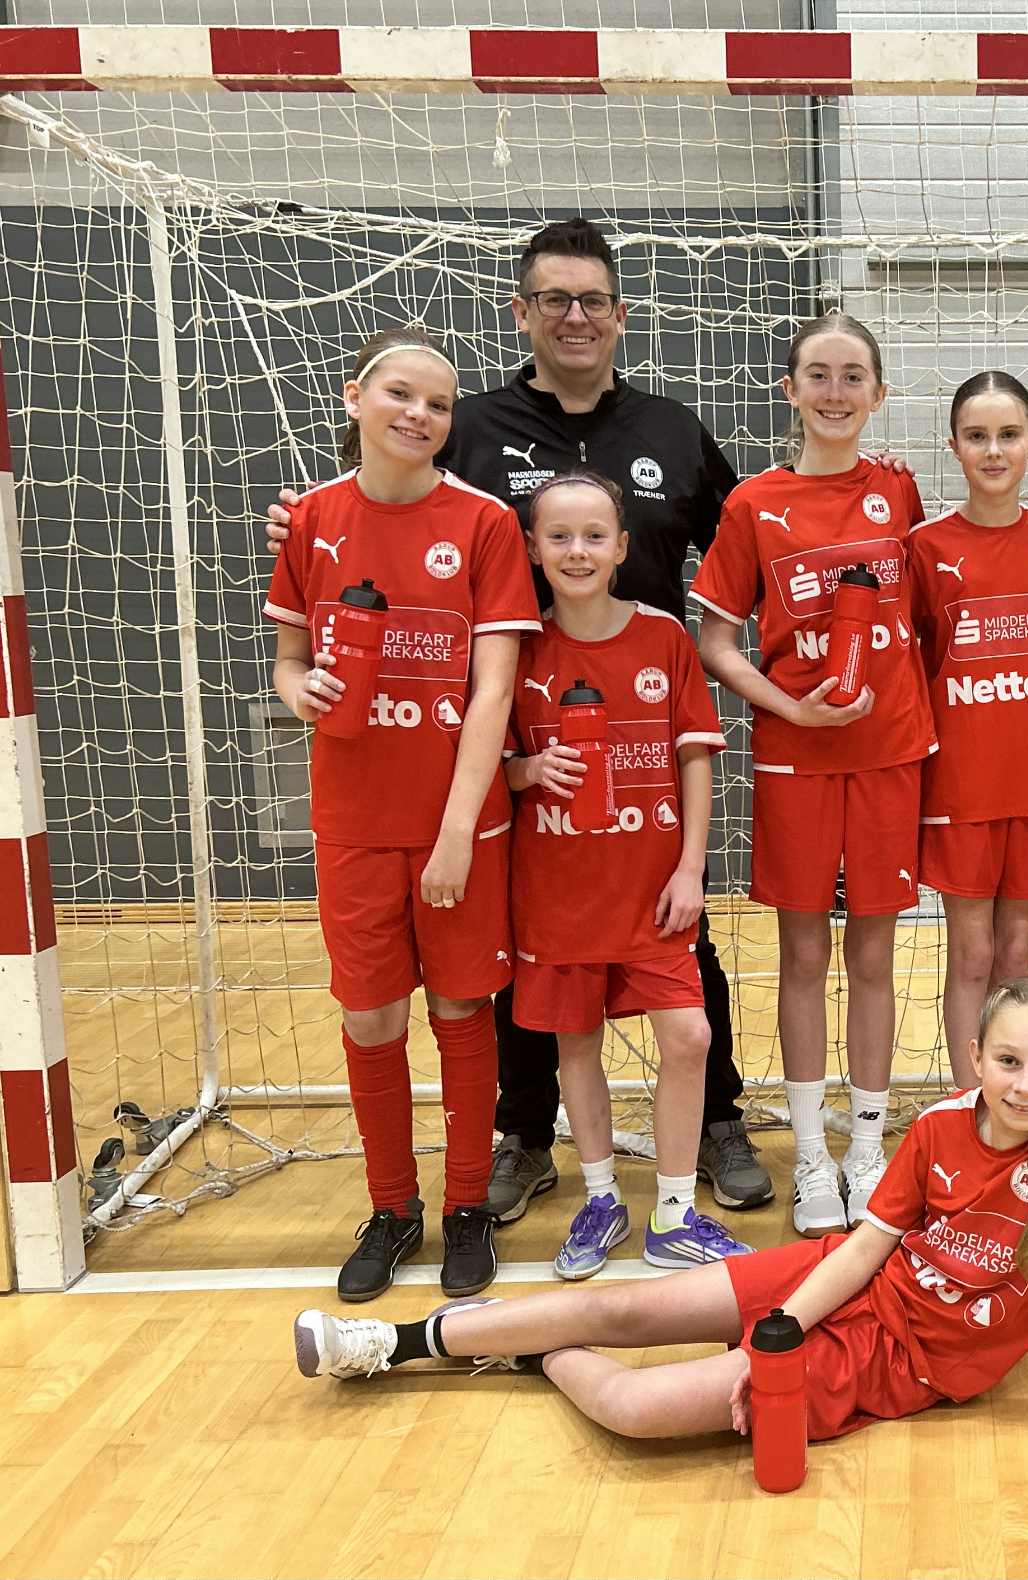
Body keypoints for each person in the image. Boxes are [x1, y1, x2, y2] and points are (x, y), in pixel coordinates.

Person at [267, 219, 772, 1221]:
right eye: (554, 299)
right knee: (521, 948)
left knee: (681, 937)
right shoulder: (468, 425)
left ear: (619, 315)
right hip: (513, 735)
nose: (575, 316)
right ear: (522, 311)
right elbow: (382, 490)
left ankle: (717, 1117)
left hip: (640, 733)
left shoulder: (673, 429)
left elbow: (749, 537)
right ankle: (524, 1133)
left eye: (593, 300)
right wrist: (297, 521)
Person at [290, 976, 1028, 1457]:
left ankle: (528, 1346)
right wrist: (784, 1322)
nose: (1025, 1084)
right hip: (840, 1281)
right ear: (976, 1057)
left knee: (637, 1411)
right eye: (1008, 1060)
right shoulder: (937, 1128)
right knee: (627, 1308)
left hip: (904, 1359)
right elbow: (868, 1246)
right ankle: (392, 1342)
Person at [264, 326, 541, 1300]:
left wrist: (458, 830)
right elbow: (289, 659)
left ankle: (466, 1205)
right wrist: (298, 690)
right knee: (370, 1012)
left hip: (458, 820)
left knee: (461, 1006)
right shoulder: (311, 520)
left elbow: (493, 690)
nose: (420, 414)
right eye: (400, 394)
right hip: (352, 817)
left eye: (438, 403)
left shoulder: (483, 523)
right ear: (354, 398)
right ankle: (392, 1207)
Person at [689, 312, 935, 1237]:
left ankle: (866, 1152)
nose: (836, 392)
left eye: (853, 376)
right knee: (801, 956)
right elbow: (716, 640)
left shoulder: (899, 491)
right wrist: (787, 708)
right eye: (819, 376)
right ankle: (810, 1159)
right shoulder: (755, 504)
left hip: (888, 753)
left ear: (879, 394)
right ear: (790, 390)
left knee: (873, 957)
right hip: (795, 756)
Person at [503, 469, 752, 1277]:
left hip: (653, 891)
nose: (577, 550)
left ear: (622, 547)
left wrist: (690, 869)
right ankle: (602, 1198)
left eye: (593, 536)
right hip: (558, 893)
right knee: (575, 1044)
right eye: (559, 536)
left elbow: (695, 758)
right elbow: (492, 764)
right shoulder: (520, 646)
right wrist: (529, 769)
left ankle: (674, 1213)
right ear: (534, 548)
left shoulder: (663, 637)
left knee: (689, 1035)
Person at [904, 372, 1028, 1087]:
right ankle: (968, 1104)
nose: (993, 450)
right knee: (971, 955)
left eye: (1008, 435)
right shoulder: (926, 546)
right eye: (977, 436)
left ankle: (1013, 1097)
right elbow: (911, 666)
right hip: (961, 785)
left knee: (1016, 955)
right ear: (954, 446)